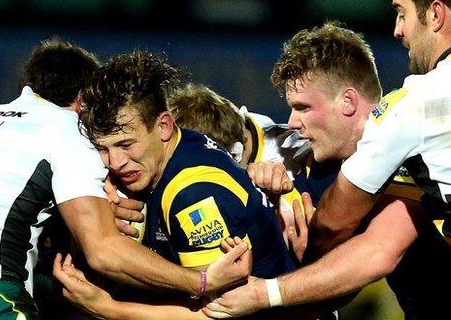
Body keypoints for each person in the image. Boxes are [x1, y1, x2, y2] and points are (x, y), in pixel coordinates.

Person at [212, 0, 451, 318]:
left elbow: (366, 244)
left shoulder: (417, 107)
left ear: (435, 13)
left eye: (402, 13)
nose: (397, 30)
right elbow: (245, 130)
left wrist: (274, 281)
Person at [0, 39, 249, 320]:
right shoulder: (64, 126)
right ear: (82, 100)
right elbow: (104, 252)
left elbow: (6, 208)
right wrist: (201, 280)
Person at [203, 22, 451, 319]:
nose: (293, 121)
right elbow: (246, 133)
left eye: (303, 107)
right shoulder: (328, 164)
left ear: (348, 101)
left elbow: (376, 254)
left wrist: (265, 293)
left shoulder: (410, 138)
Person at [79, 50, 294, 281]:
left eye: (126, 144)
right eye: (103, 149)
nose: (116, 163)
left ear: (163, 126)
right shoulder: (181, 145)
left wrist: (105, 307)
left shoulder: (195, 194)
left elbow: (216, 309)